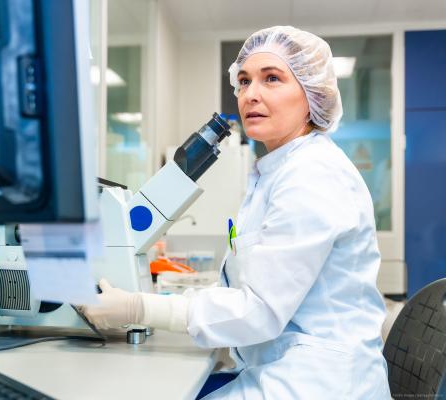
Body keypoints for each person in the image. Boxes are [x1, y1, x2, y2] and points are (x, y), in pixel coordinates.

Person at [82, 26, 391, 399]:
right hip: (280, 364)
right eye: (243, 81)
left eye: (272, 79)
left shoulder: (313, 176)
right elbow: (252, 287)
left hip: (318, 381)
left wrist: (137, 307)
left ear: (313, 96)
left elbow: (258, 310)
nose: (251, 95)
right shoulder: (276, 171)